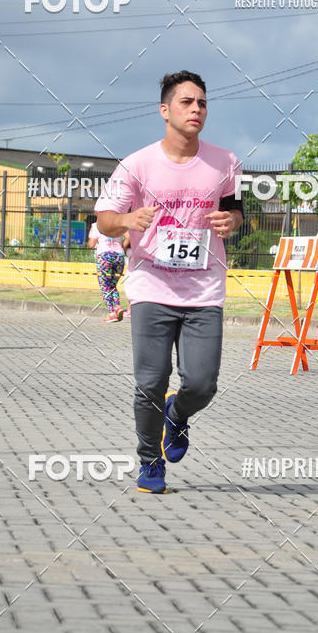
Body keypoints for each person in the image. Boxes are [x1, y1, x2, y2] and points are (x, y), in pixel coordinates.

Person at [95, 70, 243, 493]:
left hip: (204, 290)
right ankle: (150, 461)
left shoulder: (224, 162)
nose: (196, 109)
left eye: (202, 102)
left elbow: (236, 210)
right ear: (165, 110)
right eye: (186, 101)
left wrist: (231, 221)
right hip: (151, 287)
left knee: (202, 382)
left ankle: (176, 416)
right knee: (150, 382)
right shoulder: (137, 165)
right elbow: (104, 220)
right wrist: (126, 219)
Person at [88, 221, 129, 322]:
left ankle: (111, 313)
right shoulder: (119, 224)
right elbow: (129, 237)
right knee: (112, 285)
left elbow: (91, 244)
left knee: (105, 286)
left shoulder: (96, 225)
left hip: (104, 256)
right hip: (119, 257)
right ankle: (118, 307)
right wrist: (123, 246)